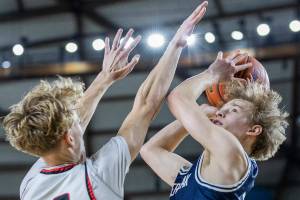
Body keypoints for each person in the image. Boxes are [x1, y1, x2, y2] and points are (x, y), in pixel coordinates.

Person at [2, 1, 208, 199]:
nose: (79, 117)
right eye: (75, 123)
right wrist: (176, 43)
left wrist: (104, 78)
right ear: (69, 138)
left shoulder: (32, 184)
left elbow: (68, 126)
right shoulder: (96, 178)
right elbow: (147, 104)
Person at [140, 50, 288, 199]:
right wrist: (199, 112)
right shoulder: (192, 176)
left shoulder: (232, 153)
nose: (219, 113)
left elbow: (177, 98)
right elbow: (150, 150)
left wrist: (211, 75)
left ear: (253, 129)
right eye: (222, 109)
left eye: (234, 110)